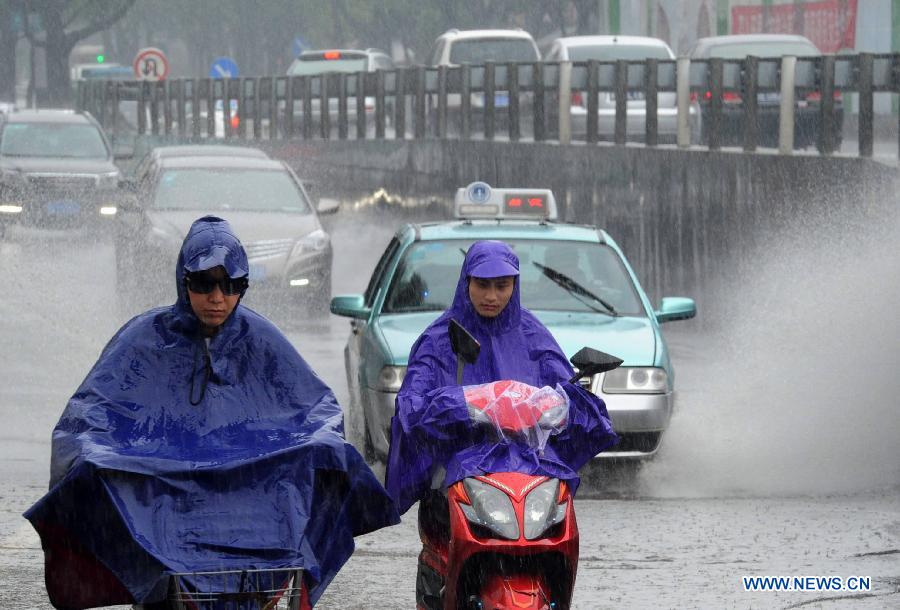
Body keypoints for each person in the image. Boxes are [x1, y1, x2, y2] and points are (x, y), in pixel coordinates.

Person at [25, 215, 399, 609]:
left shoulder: (263, 341)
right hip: (169, 510)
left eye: (231, 285)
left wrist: (321, 443)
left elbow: (315, 409)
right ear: (183, 281)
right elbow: (91, 415)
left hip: (255, 527)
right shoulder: (143, 340)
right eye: (204, 284)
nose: (217, 298)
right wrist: (94, 455)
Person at [384, 239, 618, 608]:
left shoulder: (532, 335)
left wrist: (561, 404)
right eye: (483, 285)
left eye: (502, 285)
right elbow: (412, 406)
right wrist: (468, 403)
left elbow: (566, 390)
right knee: (440, 561)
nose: (492, 295)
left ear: (515, 286)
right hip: (456, 475)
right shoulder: (437, 339)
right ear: (467, 283)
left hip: (528, 476)